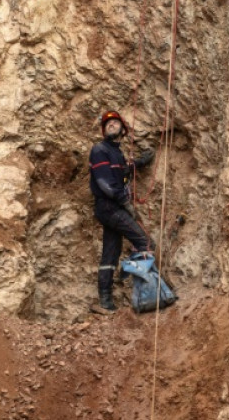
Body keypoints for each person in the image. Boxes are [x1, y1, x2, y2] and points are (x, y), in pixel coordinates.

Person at [88, 110, 155, 312]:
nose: (111, 125)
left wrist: (141, 163)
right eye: (107, 124)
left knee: (111, 252)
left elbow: (123, 169)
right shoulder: (100, 150)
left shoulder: (115, 153)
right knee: (143, 241)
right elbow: (105, 183)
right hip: (109, 207)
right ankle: (148, 296)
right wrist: (125, 202)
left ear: (123, 130)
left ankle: (105, 302)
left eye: (115, 123)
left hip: (110, 208)